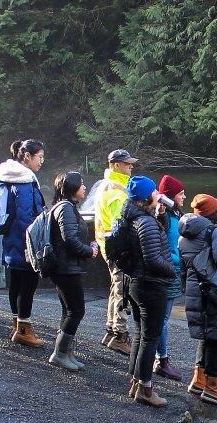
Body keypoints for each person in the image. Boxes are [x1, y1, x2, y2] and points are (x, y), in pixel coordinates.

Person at [120, 175, 176, 407]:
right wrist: (172, 271)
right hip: (150, 285)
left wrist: (160, 213)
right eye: (154, 191)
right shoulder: (146, 223)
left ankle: (136, 382)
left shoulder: (135, 217)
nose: (157, 193)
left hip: (136, 283)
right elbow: (153, 259)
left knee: (141, 335)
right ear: (146, 196)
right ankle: (145, 388)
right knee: (149, 338)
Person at [178, 194, 217, 406]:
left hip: (195, 290)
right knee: (216, 337)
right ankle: (212, 387)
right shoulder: (214, 232)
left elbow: (183, 268)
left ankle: (198, 380)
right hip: (213, 290)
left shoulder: (183, 235)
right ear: (213, 213)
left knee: (206, 333)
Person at [0, 139, 48, 348]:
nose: (41, 161)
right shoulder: (23, 181)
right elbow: (28, 217)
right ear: (27, 156)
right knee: (28, 283)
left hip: (10, 238)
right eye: (39, 157)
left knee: (15, 281)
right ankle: (24, 329)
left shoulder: (5, 176)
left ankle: (16, 324)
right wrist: (35, 244)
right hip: (25, 241)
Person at [41, 171, 96, 370]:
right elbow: (70, 239)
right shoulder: (65, 209)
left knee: (69, 310)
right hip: (65, 268)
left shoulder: (67, 207)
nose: (84, 187)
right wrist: (89, 251)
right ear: (71, 188)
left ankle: (66, 353)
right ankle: (60, 353)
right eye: (81, 184)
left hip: (65, 267)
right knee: (76, 310)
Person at [88, 149, 138, 355]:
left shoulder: (106, 185)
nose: (131, 166)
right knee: (122, 291)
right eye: (127, 164)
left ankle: (111, 330)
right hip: (117, 248)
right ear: (116, 165)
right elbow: (122, 223)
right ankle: (120, 335)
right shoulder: (117, 191)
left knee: (116, 287)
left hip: (105, 244)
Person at [153, 174, 187, 381]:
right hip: (168, 271)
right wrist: (178, 260)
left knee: (160, 319)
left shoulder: (173, 215)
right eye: (181, 194)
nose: (184, 197)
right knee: (161, 320)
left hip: (171, 271)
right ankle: (161, 360)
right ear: (170, 197)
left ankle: (158, 359)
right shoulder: (165, 217)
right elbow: (165, 247)